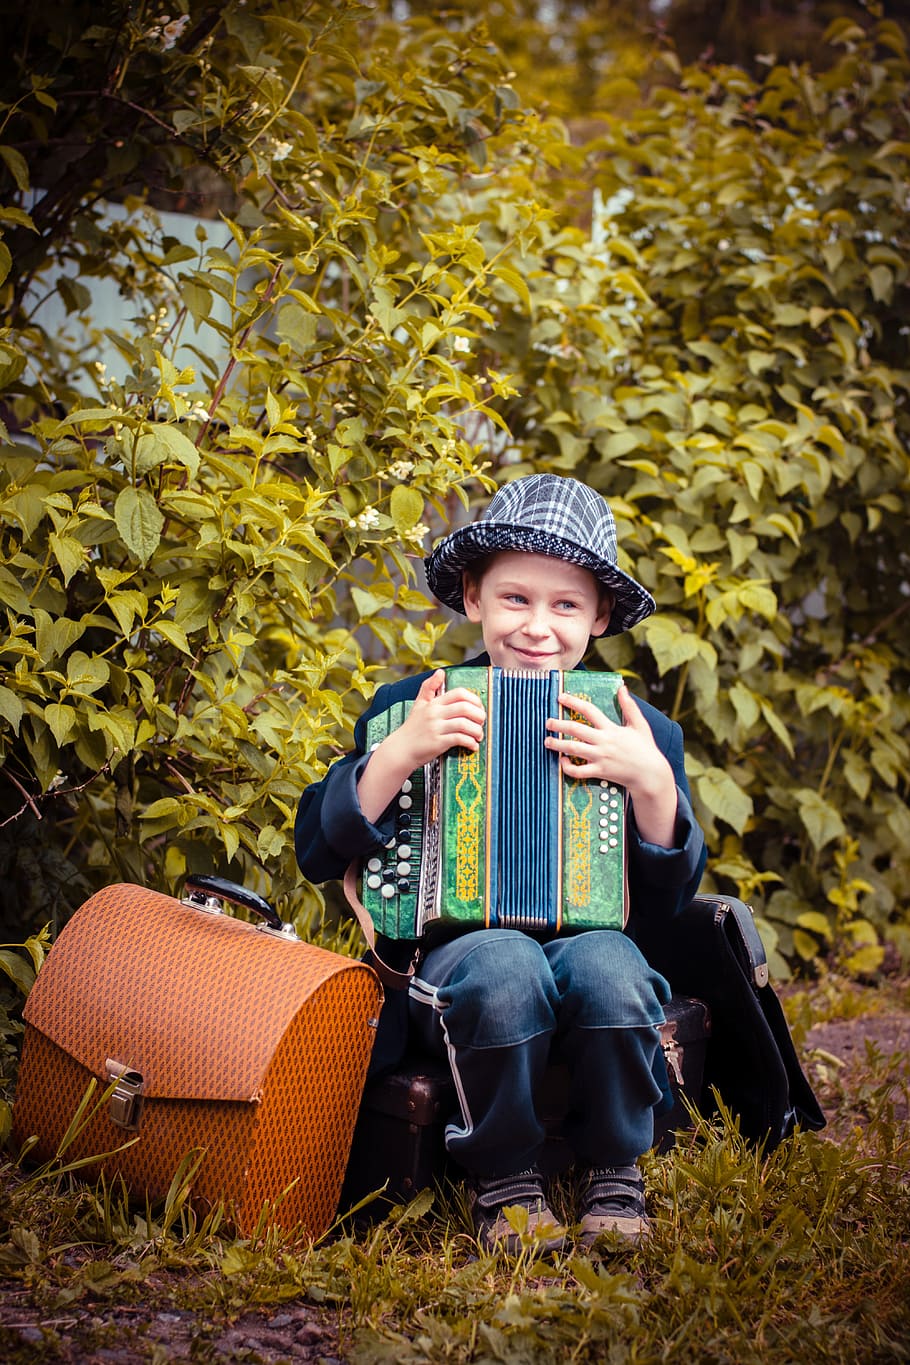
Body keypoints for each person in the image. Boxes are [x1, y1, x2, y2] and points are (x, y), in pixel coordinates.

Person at [295, 473, 706, 1254]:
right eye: (515, 598)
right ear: (473, 597)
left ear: (601, 615)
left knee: (616, 970)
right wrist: (396, 756)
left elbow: (668, 899)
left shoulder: (637, 725)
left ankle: (616, 1165)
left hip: (591, 940)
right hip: (453, 954)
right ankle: (506, 1175)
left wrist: (652, 783)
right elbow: (318, 846)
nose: (538, 627)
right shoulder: (414, 703)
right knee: (505, 966)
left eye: (566, 605)